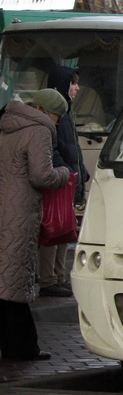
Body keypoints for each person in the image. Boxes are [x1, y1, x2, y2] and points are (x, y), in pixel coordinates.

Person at [0, 88, 71, 360]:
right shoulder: (39, 130)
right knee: (15, 283)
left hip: (3, 209)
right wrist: (64, 174)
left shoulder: (7, 124)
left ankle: (12, 345)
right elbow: (42, 176)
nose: (56, 122)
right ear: (45, 111)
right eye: (56, 116)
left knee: (4, 280)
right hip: (20, 213)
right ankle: (23, 348)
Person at [37, 67, 88, 298]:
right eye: (73, 83)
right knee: (54, 229)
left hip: (67, 180)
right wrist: (67, 172)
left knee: (64, 230)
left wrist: (82, 173)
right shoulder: (56, 115)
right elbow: (54, 149)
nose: (77, 87)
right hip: (61, 181)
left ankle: (58, 276)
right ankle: (50, 279)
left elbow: (72, 148)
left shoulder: (66, 113)